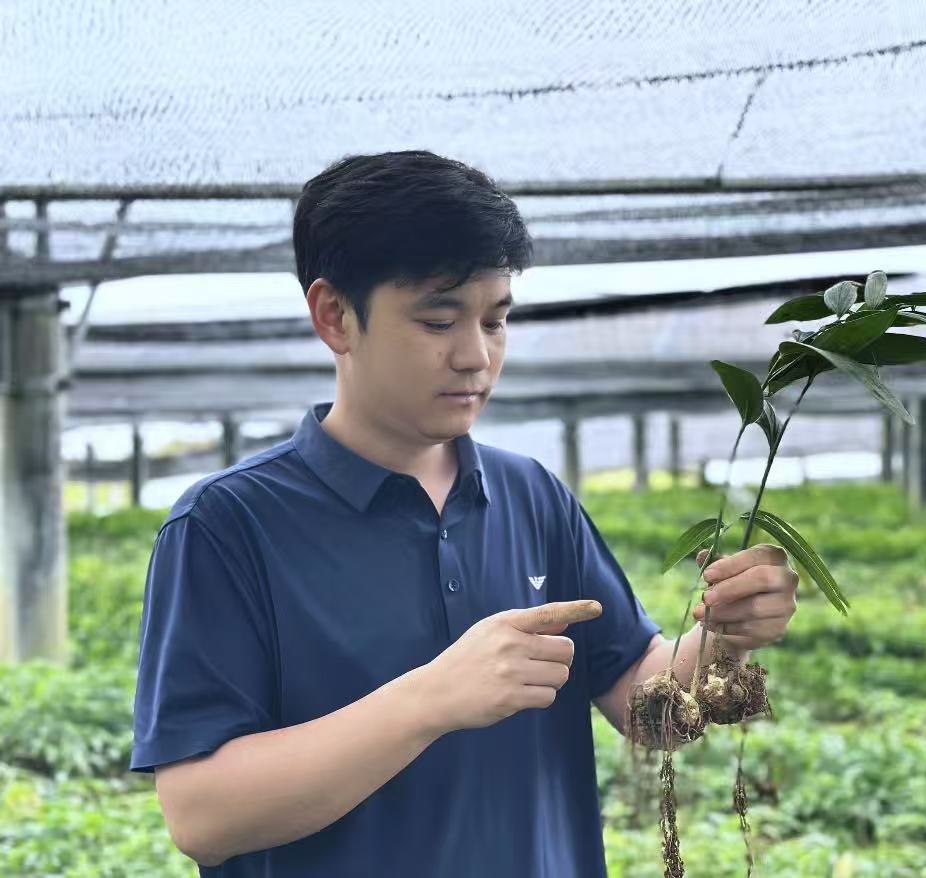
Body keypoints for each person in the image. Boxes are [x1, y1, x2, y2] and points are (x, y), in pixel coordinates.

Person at [130, 150, 799, 877]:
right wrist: (432, 698)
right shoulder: (228, 525)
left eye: (495, 321)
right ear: (335, 316)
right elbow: (204, 816)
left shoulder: (531, 497)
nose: (475, 356)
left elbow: (647, 705)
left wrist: (723, 636)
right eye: (438, 320)